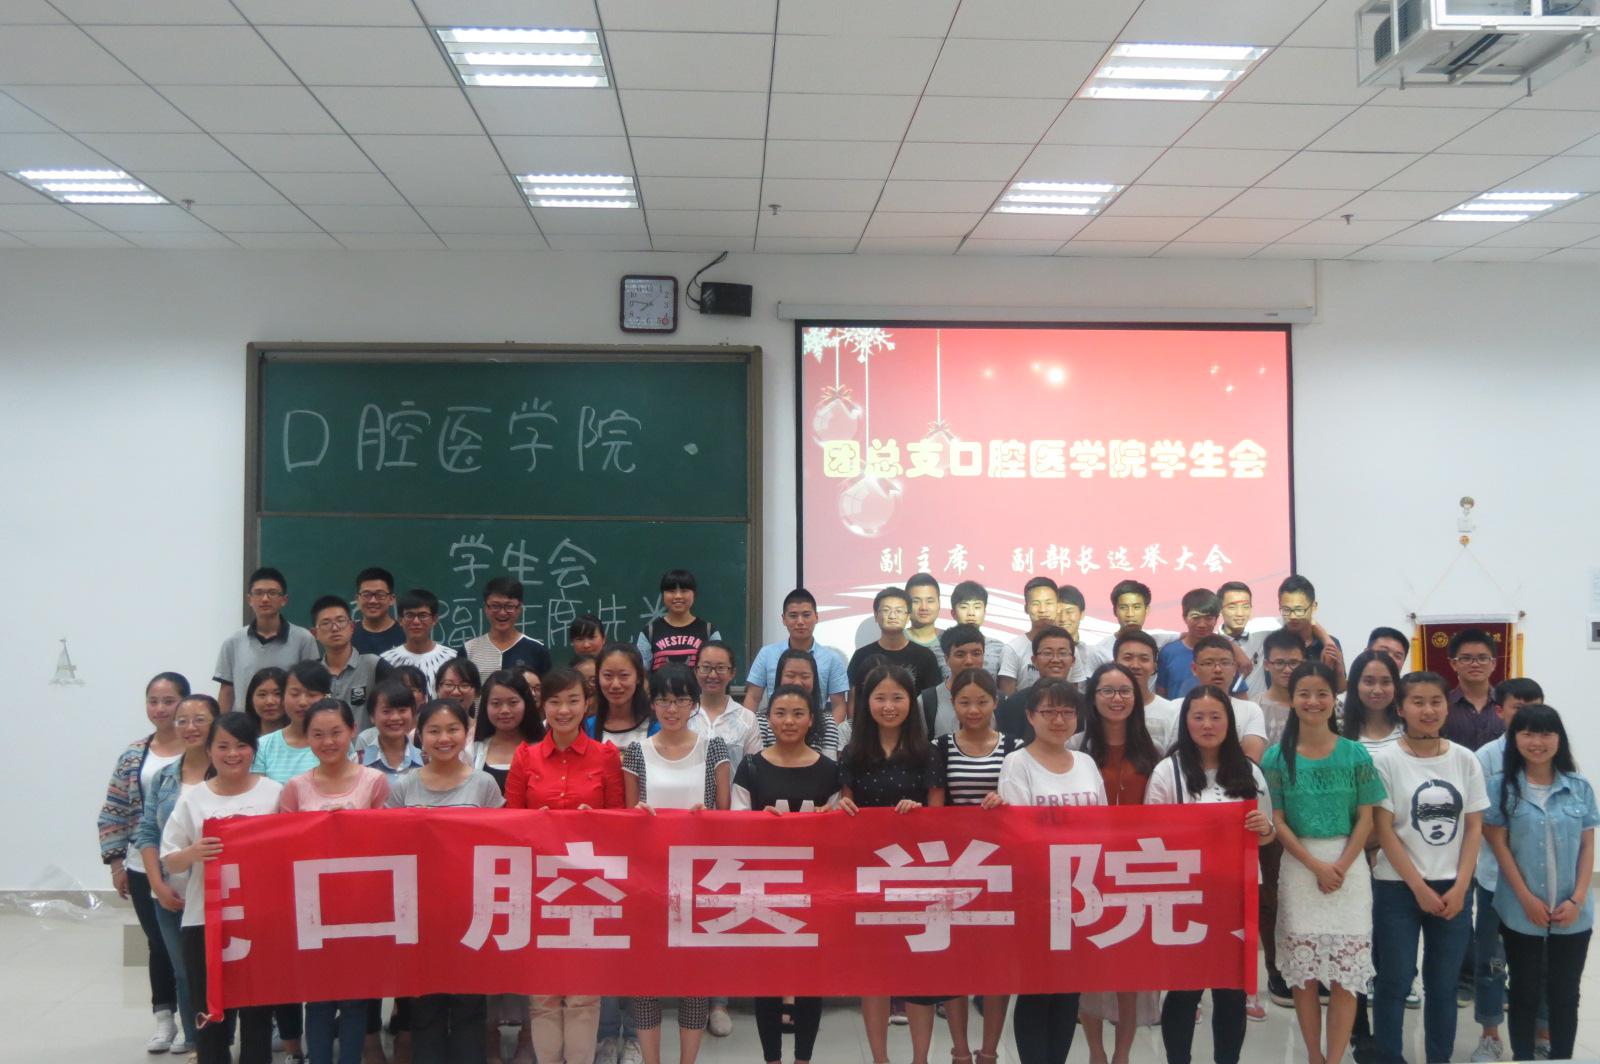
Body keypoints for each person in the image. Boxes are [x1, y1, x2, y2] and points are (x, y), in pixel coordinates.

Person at [1146, 686, 1276, 1064]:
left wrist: (1263, 827)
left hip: (1236, 895)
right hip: (1184, 897)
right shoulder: (1167, 771)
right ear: (1185, 722)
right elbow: (1149, 834)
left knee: (1231, 991)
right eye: (1198, 717)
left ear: (1229, 723)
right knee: (1184, 990)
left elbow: (1267, 834)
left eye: (1216, 717)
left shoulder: (1249, 770)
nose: (1207, 725)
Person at [1262, 661, 1383, 1064]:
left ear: (1334, 700)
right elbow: (1278, 821)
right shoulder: (1276, 758)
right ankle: (1314, 1056)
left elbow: (1366, 818)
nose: (1313, 701)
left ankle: (1334, 1059)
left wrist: (1341, 866)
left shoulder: (1355, 753)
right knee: (1305, 976)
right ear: (1292, 700)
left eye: (1322, 694)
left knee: (1347, 976)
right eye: (1304, 693)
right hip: (1300, 870)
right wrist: (1316, 866)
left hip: (1349, 871)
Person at [1368, 671, 1487, 1064]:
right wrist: (1418, 886)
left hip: (1453, 887)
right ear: (1400, 708)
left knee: (1443, 984)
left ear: (1446, 707)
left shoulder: (1465, 759)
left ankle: (1440, 1057)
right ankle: (1389, 1057)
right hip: (1397, 887)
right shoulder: (1386, 761)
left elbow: (1474, 827)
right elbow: (1384, 830)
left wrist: (1462, 885)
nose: (1428, 710)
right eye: (1417, 702)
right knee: (1395, 980)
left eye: (1436, 701)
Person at [506, 669, 623, 1064]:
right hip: (537, 888)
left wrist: (597, 821)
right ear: (543, 706)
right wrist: (532, 824)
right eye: (554, 701)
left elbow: (620, 822)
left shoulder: (606, 756)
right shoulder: (525, 756)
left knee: (583, 994)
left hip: (589, 887)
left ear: (587, 704)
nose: (564, 709)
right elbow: (508, 823)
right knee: (542, 994)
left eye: (573, 700)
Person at [621, 665, 731, 1064]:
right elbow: (626, 819)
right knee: (645, 979)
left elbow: (726, 817)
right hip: (649, 878)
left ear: (693, 704)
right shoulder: (637, 751)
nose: (672, 709)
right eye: (664, 700)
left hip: (699, 878)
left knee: (693, 979)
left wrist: (708, 818)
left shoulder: (712, 748)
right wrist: (639, 816)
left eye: (681, 700)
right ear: (652, 705)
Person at [162, 712, 284, 1064]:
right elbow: (170, 860)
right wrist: (193, 852)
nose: (232, 754)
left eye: (241, 746)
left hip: (260, 919)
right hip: (205, 919)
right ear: (209, 750)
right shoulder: (193, 799)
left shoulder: (274, 793)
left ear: (254, 750)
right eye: (223, 746)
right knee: (209, 1009)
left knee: (258, 1010)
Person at [386, 700, 504, 1061]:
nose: (444, 738)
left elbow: (502, 840)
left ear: (466, 733)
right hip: (420, 911)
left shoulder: (484, 784)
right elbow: (386, 843)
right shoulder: (404, 786)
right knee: (425, 1001)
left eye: (453, 729)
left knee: (469, 1001)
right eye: (434, 731)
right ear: (419, 736)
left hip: (471, 908)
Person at [732, 683, 841, 1064]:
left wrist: (831, 819)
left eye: (798, 713)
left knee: (810, 981)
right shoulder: (750, 767)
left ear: (811, 720)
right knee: (769, 980)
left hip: (815, 891)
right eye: (780, 713)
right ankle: (773, 1059)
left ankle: (803, 1058)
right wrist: (756, 823)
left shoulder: (830, 771)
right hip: (763, 890)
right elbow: (734, 825)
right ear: (769, 719)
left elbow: (840, 831)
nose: (789, 721)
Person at [279, 699, 392, 1064]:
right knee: (318, 998)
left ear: (352, 731)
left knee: (355, 998)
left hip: (361, 906)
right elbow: (282, 848)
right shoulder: (296, 787)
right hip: (312, 907)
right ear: (307, 738)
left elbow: (390, 842)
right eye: (317, 734)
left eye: (336, 733)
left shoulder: (374, 781)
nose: (327, 742)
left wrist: (356, 826)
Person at [998, 681, 1105, 1064]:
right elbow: (1020, 831)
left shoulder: (1086, 763)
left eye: (1067, 712)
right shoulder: (1017, 763)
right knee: (1037, 989)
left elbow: (1103, 825)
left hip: (1082, 894)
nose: (1059, 720)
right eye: (1049, 712)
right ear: (1030, 716)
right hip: (1038, 895)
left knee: (1068, 990)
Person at [1483, 704, 1596, 1062]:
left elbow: (1587, 846)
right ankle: (1523, 1057)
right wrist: (1526, 898)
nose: (1537, 742)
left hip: (1572, 911)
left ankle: (1561, 1057)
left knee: (1565, 993)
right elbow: (1498, 846)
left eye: (1546, 733)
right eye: (1528, 733)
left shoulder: (1578, 787)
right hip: (1520, 909)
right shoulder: (1500, 786)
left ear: (1559, 739)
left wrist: (1578, 899)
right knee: (1524, 991)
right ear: (1514, 738)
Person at [838, 664, 939, 1064]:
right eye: (880, 697)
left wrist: (920, 814)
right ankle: (880, 1059)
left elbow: (939, 819)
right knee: (874, 974)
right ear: (866, 703)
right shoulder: (853, 753)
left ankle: (920, 1059)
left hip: (918, 877)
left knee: (919, 975)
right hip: (869, 878)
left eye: (898, 697)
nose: (888, 706)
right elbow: (845, 809)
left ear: (911, 702)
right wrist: (843, 807)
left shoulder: (927, 753)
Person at [928, 668, 1017, 1064]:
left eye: (982, 701)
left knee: (997, 965)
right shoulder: (940, 746)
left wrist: (1005, 802)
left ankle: (990, 1050)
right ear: (953, 705)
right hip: (955, 868)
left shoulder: (1014, 748)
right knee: (955, 963)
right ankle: (960, 1049)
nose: (974, 709)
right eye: (965, 702)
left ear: (995, 702)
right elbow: (935, 808)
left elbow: (1021, 801)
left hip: (1001, 870)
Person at [1075, 662, 1162, 1064]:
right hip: (1086, 872)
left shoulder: (1153, 752)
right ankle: (1096, 1051)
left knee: (1131, 969)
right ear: (1093, 698)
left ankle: (1122, 1054)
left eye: (1124, 691)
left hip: (1135, 871)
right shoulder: (1075, 749)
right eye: (1107, 691)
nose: (1116, 698)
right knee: (1090, 967)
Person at [99, 671, 189, 1055]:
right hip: (143, 864)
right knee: (158, 943)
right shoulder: (135, 754)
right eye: (154, 701)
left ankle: (195, 1020)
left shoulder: (203, 747)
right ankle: (164, 1018)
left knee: (190, 946)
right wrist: (116, 863)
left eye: (169, 701)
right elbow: (115, 807)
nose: (161, 708)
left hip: (191, 862)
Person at [134, 692, 218, 1057]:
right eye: (182, 720)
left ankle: (222, 1037)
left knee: (221, 969)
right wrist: (157, 883)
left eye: (199, 719)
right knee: (185, 972)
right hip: (172, 892)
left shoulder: (229, 769)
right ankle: (196, 1039)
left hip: (219, 892)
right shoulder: (164, 777)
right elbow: (147, 833)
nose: (189, 727)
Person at [1469, 677, 1547, 1062]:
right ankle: (1490, 1034)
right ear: (1500, 711)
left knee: (1540, 964)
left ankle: (1542, 1034)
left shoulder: (1552, 751)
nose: (1529, 715)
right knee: (1491, 961)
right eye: (1519, 707)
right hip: (1494, 880)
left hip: (1544, 883)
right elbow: (1482, 821)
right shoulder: (1485, 757)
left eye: (1536, 706)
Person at [214, 566, 319, 712]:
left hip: (288, 723)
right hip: (244, 723)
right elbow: (227, 692)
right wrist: (221, 725)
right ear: (249, 599)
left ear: (284, 600)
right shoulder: (233, 642)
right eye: (258, 593)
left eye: (272, 593)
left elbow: (312, 687)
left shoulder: (304, 639)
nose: (265, 599)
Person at [742, 588, 849, 722]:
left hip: (816, 728)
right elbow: (753, 697)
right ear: (784, 619)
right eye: (793, 616)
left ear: (816, 617)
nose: (800, 622)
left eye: (806, 615)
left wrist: (829, 732)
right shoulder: (767, 654)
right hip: (774, 728)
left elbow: (839, 705)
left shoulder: (832, 659)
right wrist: (748, 729)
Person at [847, 586, 942, 715]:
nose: (892, 616)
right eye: (886, 610)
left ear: (908, 617)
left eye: (899, 611)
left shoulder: (925, 656)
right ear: (876, 615)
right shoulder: (861, 655)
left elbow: (932, 699)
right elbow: (854, 699)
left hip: (914, 723)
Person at [1248, 575, 1344, 698]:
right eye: (1286, 610)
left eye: (1299, 610)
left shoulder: (1329, 644)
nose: (1292, 616)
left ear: (1314, 607)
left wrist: (1337, 668)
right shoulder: (1274, 643)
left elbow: (1340, 688)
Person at [749, 648, 843, 759]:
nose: (797, 682)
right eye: (790, 675)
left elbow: (829, 765)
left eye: (805, 676)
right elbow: (758, 763)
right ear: (780, 677)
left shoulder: (827, 722)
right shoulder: (761, 721)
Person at [1188, 634, 1268, 761]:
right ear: (1194, 668)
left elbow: (1252, 759)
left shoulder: (1250, 710)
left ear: (1235, 668)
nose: (1218, 669)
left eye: (1225, 663)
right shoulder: (1175, 708)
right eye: (1208, 663)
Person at [253, 659, 331, 784]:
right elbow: (259, 792)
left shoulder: (337, 742)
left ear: (326, 697)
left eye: (311, 695)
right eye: (295, 694)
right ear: (284, 696)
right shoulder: (263, 746)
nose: (302, 702)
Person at [309, 594, 380, 732]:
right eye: (326, 623)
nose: (335, 628)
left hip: (363, 746)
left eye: (340, 621)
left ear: (352, 627)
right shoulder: (311, 674)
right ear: (314, 633)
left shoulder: (374, 665)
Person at [1155, 588, 1240, 700]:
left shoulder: (1227, 653)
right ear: (1184, 618)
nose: (1202, 624)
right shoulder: (1168, 653)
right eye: (1195, 618)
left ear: (1216, 619)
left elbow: (1240, 694)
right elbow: (1161, 694)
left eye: (1208, 618)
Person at [462, 575, 553, 678]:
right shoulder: (469, 650)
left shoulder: (537, 651)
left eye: (509, 606)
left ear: (519, 609)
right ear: (486, 608)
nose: (502, 613)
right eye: (495, 606)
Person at [994, 627, 1076, 743]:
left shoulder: (1083, 704)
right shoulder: (1014, 704)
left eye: (1062, 653)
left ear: (1073, 660)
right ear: (1034, 660)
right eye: (1048, 653)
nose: (1055, 659)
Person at [688, 640, 758, 771]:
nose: (712, 675)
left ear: (732, 673)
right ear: (696, 671)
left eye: (720, 668)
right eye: (706, 667)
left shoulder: (747, 718)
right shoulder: (684, 714)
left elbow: (754, 769)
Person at [636, 568, 720, 670]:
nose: (678, 596)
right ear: (663, 595)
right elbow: (641, 673)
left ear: (694, 594)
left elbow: (718, 668)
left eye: (684, 591)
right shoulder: (649, 632)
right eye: (671, 591)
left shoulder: (709, 631)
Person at [472, 669, 543, 789]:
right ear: (485, 706)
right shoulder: (473, 750)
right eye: (496, 703)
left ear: (526, 703)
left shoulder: (543, 748)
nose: (504, 710)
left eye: (513, 702)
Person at [379, 589, 457, 696]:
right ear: (400, 620)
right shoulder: (385, 661)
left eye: (423, 615)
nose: (416, 621)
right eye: (409, 615)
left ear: (434, 619)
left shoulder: (452, 658)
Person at [1112, 628, 1177, 752]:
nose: (1135, 665)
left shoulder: (1171, 712)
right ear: (1114, 663)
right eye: (1128, 658)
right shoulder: (1104, 708)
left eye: (1144, 659)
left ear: (1154, 667)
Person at [920, 624, 989, 738]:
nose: (969, 661)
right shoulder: (927, 701)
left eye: (976, 654)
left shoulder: (999, 700)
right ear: (946, 659)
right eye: (960, 654)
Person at [588, 642, 658, 749]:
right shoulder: (587, 727)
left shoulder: (656, 727)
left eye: (624, 675)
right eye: (608, 675)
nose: (615, 685)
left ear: (639, 677)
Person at [997, 577, 1061, 696]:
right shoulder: (1013, 649)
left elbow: (1074, 694)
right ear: (1026, 608)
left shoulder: (1069, 648)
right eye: (1036, 603)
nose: (1042, 610)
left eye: (1048, 603)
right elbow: (1007, 698)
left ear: (1058, 607)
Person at [1444, 628, 1504, 750]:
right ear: (1453, 664)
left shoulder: (1506, 703)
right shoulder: (1443, 704)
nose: (1475, 664)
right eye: (1466, 658)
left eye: (1483, 658)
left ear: (1493, 664)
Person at [358, 677, 424, 776]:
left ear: (413, 713)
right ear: (372, 716)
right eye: (386, 711)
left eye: (402, 710)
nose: (395, 717)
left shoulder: (425, 760)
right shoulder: (358, 761)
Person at [1343, 650, 1403, 753]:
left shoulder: (1409, 729)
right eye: (1369, 682)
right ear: (1355, 685)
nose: (1377, 690)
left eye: (1386, 682)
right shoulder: (1340, 733)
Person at [950, 579, 1010, 674]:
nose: (971, 613)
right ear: (953, 613)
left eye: (977, 607)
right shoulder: (941, 648)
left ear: (984, 612)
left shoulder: (999, 648)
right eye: (964, 607)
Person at [352, 567, 405, 656]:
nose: (373, 601)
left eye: (380, 595)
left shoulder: (407, 635)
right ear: (357, 599)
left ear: (392, 599)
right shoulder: (346, 635)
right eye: (366, 595)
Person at [904, 572, 949, 676]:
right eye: (916, 601)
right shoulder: (897, 640)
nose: (924, 607)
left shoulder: (951, 640)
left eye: (930, 601)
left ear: (939, 603)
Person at [242, 665, 288, 734]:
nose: (270, 702)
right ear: (251, 699)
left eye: (278, 694)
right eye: (262, 694)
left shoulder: (303, 737)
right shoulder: (240, 737)